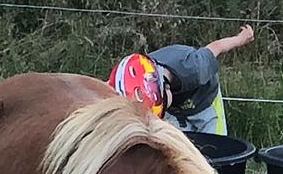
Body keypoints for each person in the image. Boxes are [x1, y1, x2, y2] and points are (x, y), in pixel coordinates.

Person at [108, 25, 255, 135]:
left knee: (215, 145)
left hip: (204, 101)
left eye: (162, 107)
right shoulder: (146, 69)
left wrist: (241, 38)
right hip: (176, 107)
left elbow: (215, 47)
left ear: (165, 87)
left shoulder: (194, 68)